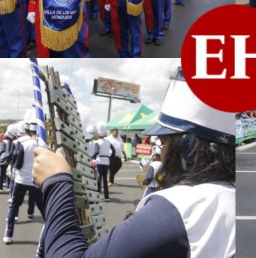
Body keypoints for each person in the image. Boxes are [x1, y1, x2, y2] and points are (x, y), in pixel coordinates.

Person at [32, 68, 235, 257]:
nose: (161, 151)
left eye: (164, 143)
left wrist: (57, 182)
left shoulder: (180, 208)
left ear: (188, 147)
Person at [3, 121, 45, 244]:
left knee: (14, 206)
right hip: (35, 181)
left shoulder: (21, 143)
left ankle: (8, 235)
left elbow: (16, 160)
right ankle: (52, 236)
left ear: (27, 130)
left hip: (21, 180)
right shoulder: (42, 145)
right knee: (43, 210)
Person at [92, 123, 113, 202]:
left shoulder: (97, 142)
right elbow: (113, 151)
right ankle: (106, 197)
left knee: (99, 178)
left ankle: (98, 195)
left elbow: (96, 152)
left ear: (98, 134)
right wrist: (109, 156)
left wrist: (92, 157)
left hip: (99, 161)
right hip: (106, 161)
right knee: (105, 180)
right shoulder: (108, 142)